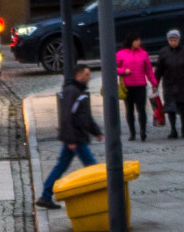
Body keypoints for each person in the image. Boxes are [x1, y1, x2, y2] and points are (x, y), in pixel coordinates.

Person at [38, 63, 101, 208]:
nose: (89, 77)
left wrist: (96, 131)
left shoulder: (80, 91)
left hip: (76, 137)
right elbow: (66, 117)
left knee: (61, 166)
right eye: (87, 74)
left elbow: (85, 115)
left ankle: (45, 196)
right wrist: (71, 139)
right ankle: (101, 195)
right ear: (79, 76)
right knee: (92, 167)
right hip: (76, 138)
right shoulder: (72, 91)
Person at [155, 29, 184, 139]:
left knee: (183, 107)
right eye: (171, 40)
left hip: (183, 84)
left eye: (175, 40)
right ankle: (173, 130)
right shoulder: (163, 52)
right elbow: (159, 70)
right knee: (170, 108)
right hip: (169, 84)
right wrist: (155, 84)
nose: (173, 42)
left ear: (179, 40)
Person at [115, 37, 157, 142]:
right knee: (129, 110)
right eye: (136, 40)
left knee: (141, 109)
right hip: (127, 86)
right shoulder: (121, 54)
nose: (139, 42)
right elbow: (113, 68)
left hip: (140, 86)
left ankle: (143, 131)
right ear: (131, 42)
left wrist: (154, 83)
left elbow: (149, 70)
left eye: (139, 40)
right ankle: (132, 132)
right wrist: (124, 71)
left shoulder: (143, 54)